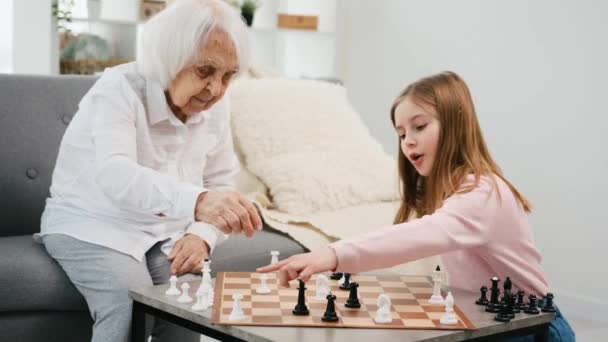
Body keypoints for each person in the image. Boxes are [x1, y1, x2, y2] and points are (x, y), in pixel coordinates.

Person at [258, 71, 575, 341]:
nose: (407, 140)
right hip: (491, 322)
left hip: (534, 328)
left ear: (455, 123)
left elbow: (419, 235)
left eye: (419, 126)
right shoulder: (456, 190)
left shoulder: (483, 192)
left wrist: (332, 254)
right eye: (400, 133)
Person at [35, 1, 261, 341]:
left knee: (188, 302)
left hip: (165, 231)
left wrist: (202, 234)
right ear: (170, 57)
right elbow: (116, 174)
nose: (216, 89)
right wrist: (199, 202)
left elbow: (220, 181)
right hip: (94, 224)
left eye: (228, 76)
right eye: (205, 71)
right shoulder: (118, 89)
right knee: (125, 300)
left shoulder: (215, 104)